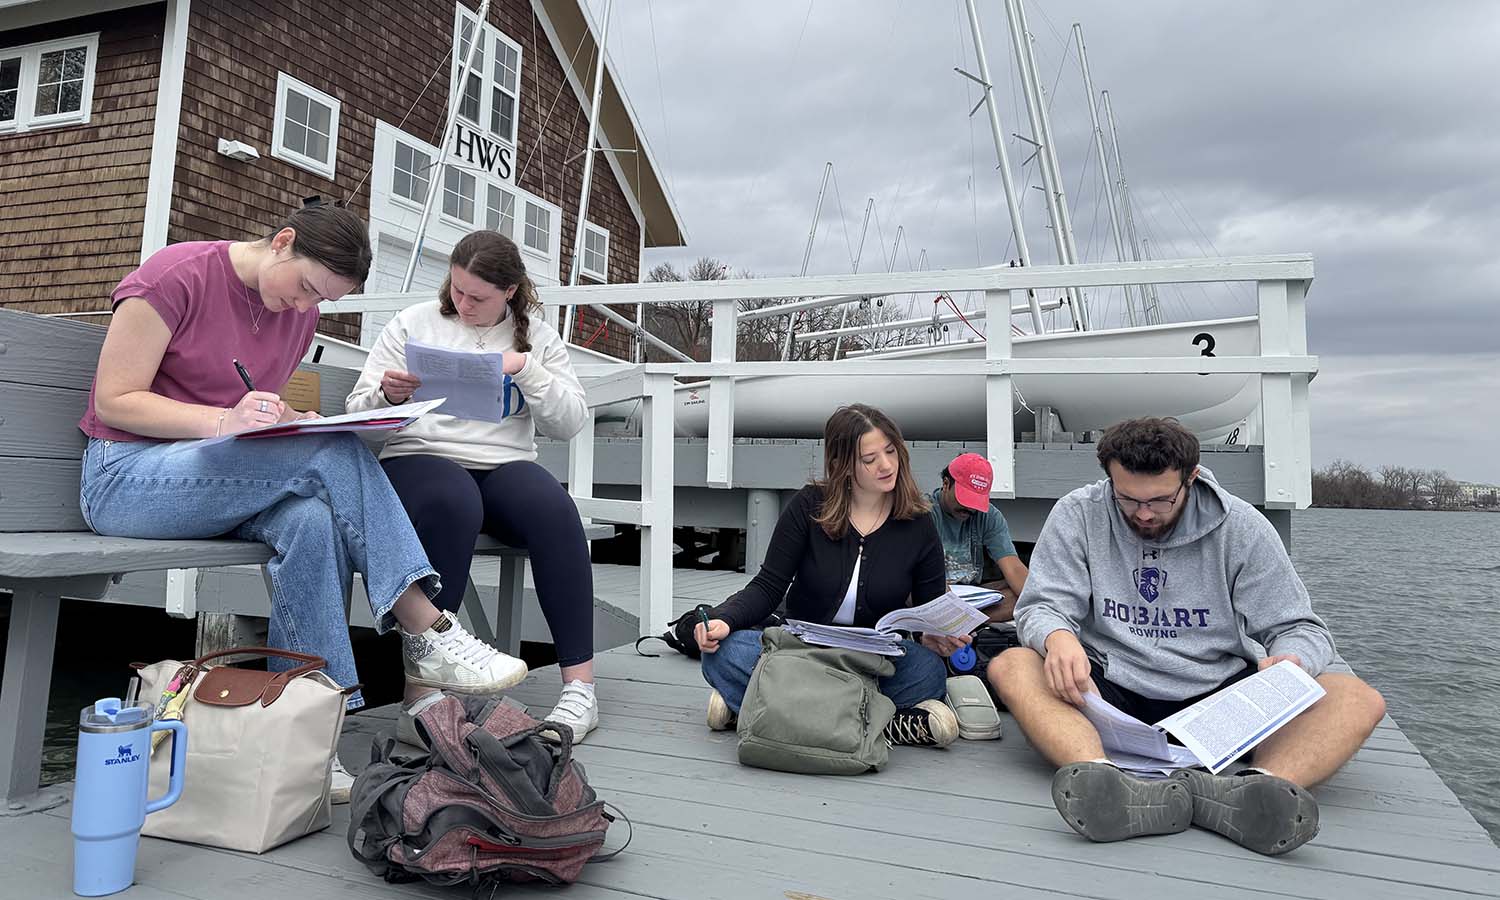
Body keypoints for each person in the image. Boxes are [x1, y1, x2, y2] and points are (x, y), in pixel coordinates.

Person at [78, 203, 525, 801]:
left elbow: (249, 410)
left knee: (313, 520)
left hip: (211, 482)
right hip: (125, 477)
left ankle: (309, 743)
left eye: (321, 301)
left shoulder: (298, 318)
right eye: (306, 287)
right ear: (282, 241)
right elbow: (114, 400)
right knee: (329, 452)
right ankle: (427, 628)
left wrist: (285, 418)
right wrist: (224, 421)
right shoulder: (174, 275)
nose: (303, 307)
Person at [989, 417, 1386, 855]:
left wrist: (1290, 659)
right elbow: (1040, 606)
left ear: (1191, 478)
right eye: (1127, 499)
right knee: (1012, 664)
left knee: (1356, 698)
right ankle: (1104, 780)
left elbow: (1299, 629)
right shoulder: (1077, 513)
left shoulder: (1243, 527)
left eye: (1160, 500)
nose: (1142, 513)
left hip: (1219, 701)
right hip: (1107, 692)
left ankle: (1253, 793)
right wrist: (1057, 635)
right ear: (1109, 479)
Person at [346, 230, 598, 742]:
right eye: (457, 290)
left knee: (553, 509)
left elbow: (569, 422)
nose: (463, 304)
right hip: (421, 459)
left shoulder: (537, 337)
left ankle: (580, 689)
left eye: (477, 297)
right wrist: (386, 396)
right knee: (451, 498)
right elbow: (356, 413)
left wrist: (526, 369)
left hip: (501, 464)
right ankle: (424, 696)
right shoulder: (415, 323)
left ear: (510, 291)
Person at [694, 404, 963, 748]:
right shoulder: (809, 507)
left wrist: (936, 636)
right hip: (804, 652)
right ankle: (878, 722)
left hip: (872, 660)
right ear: (841, 464)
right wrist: (724, 620)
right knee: (724, 652)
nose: (886, 465)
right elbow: (768, 585)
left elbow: (929, 610)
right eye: (870, 459)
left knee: (927, 671)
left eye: (891, 451)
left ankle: (761, 707)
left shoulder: (918, 524)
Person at [931, 452, 1028, 621]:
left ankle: (962, 621)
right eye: (965, 499)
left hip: (972, 597)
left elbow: (1013, 567)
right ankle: (967, 620)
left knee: (1021, 592)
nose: (970, 509)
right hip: (934, 596)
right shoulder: (925, 513)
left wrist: (1037, 601)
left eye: (975, 502)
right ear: (946, 484)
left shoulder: (990, 516)